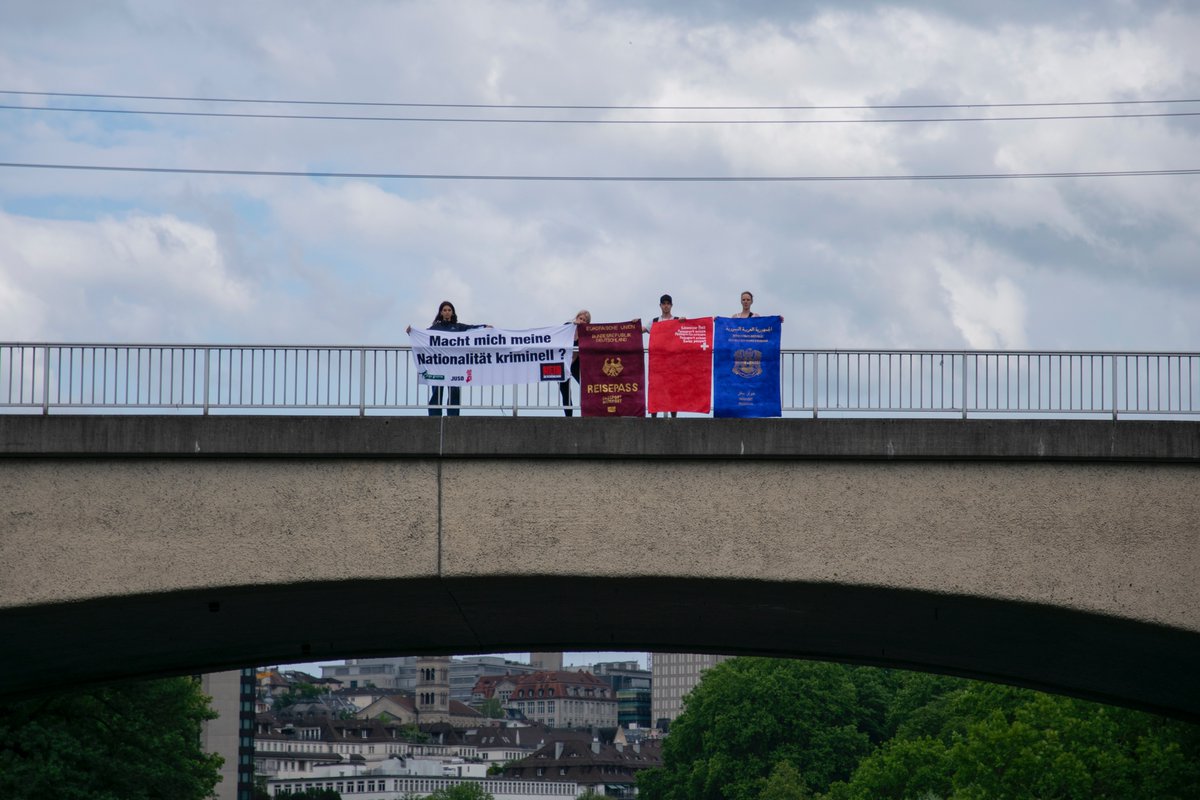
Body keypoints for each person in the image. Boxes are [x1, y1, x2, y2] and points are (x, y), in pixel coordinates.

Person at [406, 301, 488, 416]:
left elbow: (472, 329)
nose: (447, 312)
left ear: (453, 312)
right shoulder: (435, 328)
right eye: (444, 310)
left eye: (449, 310)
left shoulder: (459, 327)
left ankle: (453, 416)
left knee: (454, 391)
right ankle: (434, 416)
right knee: (437, 391)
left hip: (454, 366)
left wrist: (485, 327)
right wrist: (412, 332)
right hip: (438, 365)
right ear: (441, 312)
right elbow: (422, 337)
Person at [644, 294, 679, 418]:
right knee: (656, 388)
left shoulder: (677, 320)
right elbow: (642, 329)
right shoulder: (654, 321)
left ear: (671, 305)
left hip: (673, 362)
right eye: (663, 303)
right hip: (657, 362)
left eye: (668, 303)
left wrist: (685, 322)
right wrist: (632, 325)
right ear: (660, 305)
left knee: (673, 389)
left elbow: (689, 331)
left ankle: (674, 417)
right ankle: (654, 418)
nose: (666, 306)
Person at [559, 309, 591, 416]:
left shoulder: (586, 334)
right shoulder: (568, 327)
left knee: (587, 387)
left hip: (576, 363)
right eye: (580, 318)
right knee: (565, 392)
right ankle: (569, 417)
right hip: (564, 363)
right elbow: (558, 333)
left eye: (585, 320)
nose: (582, 321)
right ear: (576, 318)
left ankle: (589, 413)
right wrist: (573, 323)